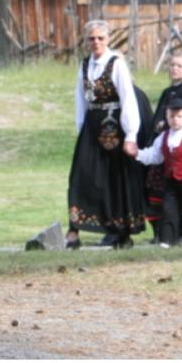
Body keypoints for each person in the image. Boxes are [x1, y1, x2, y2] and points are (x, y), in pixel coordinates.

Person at [65, 20, 147, 249]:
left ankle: (119, 230)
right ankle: (75, 228)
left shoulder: (116, 63)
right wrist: (81, 131)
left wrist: (131, 135)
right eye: (91, 38)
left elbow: (128, 97)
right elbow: (80, 99)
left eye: (100, 38)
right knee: (81, 176)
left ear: (108, 39)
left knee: (114, 178)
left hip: (114, 127)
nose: (96, 42)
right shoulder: (84, 65)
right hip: (92, 126)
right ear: (85, 40)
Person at [145, 51, 182, 243]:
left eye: (179, 66)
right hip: (163, 149)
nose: (175, 69)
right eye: (172, 65)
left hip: (181, 152)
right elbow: (158, 119)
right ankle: (167, 232)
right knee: (159, 193)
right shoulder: (167, 92)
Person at [135, 96, 182, 247]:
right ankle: (167, 240)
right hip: (172, 181)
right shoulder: (163, 137)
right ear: (166, 117)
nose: (175, 119)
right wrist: (137, 153)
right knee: (169, 209)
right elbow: (155, 156)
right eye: (171, 116)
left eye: (179, 116)